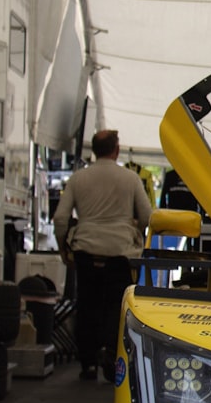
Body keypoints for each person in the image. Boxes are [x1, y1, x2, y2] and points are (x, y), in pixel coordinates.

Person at [53, 130, 153, 382]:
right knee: (114, 308)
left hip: (86, 251)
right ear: (116, 150)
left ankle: (87, 363)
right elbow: (147, 215)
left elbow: (61, 218)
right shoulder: (130, 179)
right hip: (119, 253)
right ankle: (111, 357)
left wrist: (64, 247)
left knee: (86, 305)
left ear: (94, 150)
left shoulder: (78, 178)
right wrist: (134, 232)